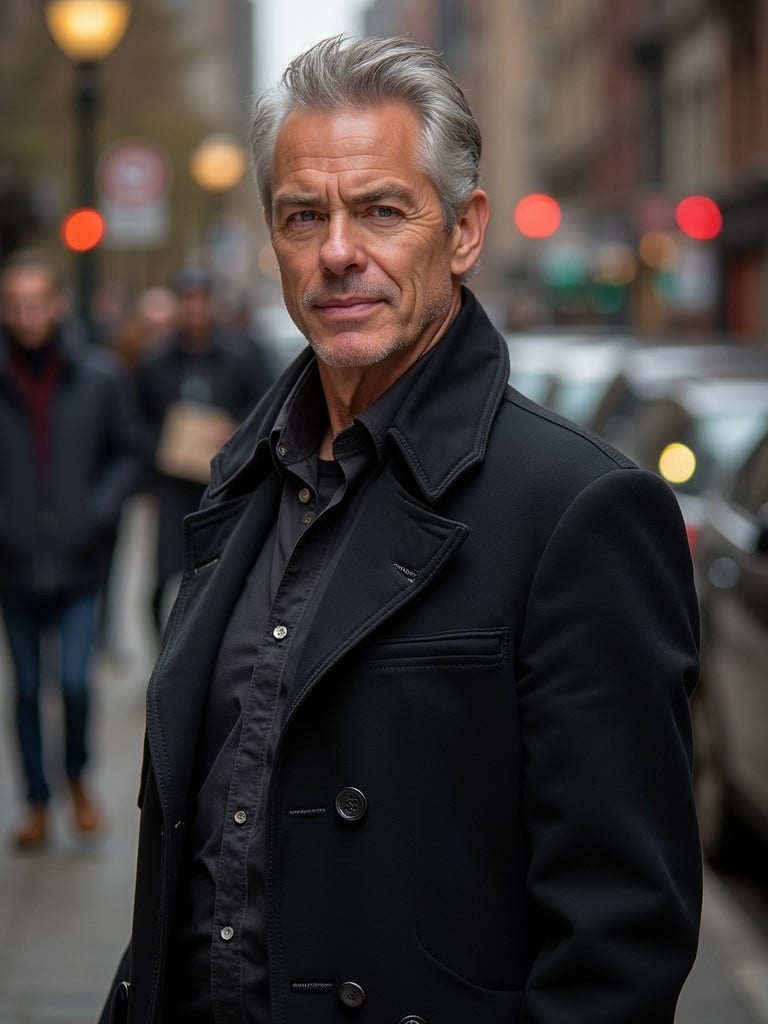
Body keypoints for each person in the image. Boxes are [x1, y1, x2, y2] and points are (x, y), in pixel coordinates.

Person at [101, 35, 702, 1024]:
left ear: (463, 231)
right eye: (305, 215)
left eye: (382, 208)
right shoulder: (243, 482)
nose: (339, 250)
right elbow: (206, 843)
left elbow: (619, 945)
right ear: (274, 238)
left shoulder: (580, 509)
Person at [0, 249, 146, 850]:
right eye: (15, 305)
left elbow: (130, 447)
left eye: (36, 302)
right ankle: (37, 801)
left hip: (81, 560)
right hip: (13, 563)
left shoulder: (100, 376)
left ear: (58, 305)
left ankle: (78, 780)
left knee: (79, 684)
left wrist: (99, 510)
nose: (27, 315)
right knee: (29, 688)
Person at [133, 266, 274, 637]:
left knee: (225, 566)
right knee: (166, 572)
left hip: (227, 482)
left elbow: (268, 403)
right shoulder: (154, 360)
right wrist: (161, 451)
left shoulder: (240, 353)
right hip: (172, 484)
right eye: (186, 301)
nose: (194, 309)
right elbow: (135, 420)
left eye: (200, 300)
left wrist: (235, 432)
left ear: (212, 304)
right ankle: (163, 649)